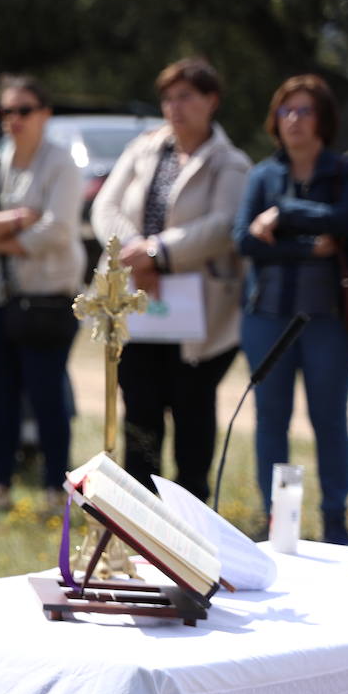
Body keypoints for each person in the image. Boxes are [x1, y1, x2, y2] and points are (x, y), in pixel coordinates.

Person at [91, 58, 250, 500]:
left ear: (212, 101)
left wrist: (161, 254)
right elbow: (105, 207)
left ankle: (191, 513)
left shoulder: (229, 162)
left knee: (192, 412)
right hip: (135, 303)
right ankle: (139, 515)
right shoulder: (144, 148)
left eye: (186, 96)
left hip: (200, 318)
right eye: (168, 97)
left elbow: (223, 225)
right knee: (139, 411)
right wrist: (137, 253)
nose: (174, 107)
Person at [234, 75, 348, 545]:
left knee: (329, 418)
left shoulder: (345, 172)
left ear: (323, 119)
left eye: (304, 110)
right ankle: (274, 522)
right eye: (286, 111)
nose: (294, 120)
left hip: (330, 319)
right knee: (270, 417)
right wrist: (310, 249)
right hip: (266, 316)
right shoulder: (261, 175)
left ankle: (333, 523)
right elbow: (244, 239)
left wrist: (283, 216)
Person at [0, 76, 84, 514]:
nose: (14, 120)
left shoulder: (62, 164)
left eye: (24, 110)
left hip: (45, 297)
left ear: (45, 113)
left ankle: (54, 490)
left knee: (48, 395)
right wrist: (15, 220)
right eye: (6, 112)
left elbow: (58, 230)